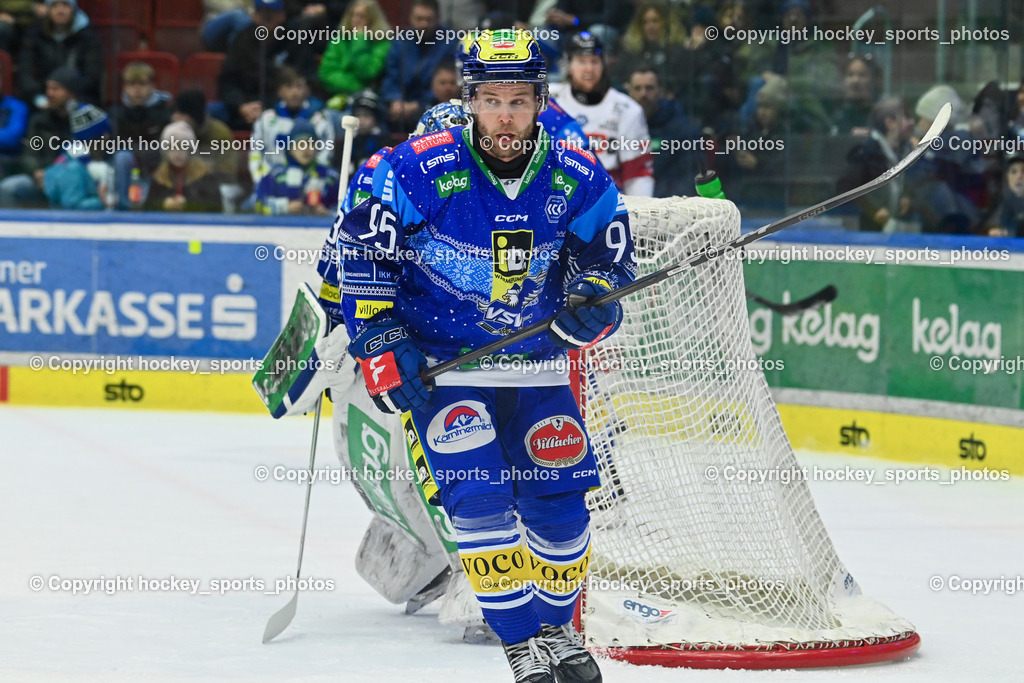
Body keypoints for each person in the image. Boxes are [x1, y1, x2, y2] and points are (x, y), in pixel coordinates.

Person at [334, 29, 634, 682]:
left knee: (563, 507)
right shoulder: (417, 168)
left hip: (537, 367)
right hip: (446, 372)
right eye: (491, 100)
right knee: (479, 501)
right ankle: (521, 643)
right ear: (469, 100)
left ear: (540, 102)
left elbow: (610, 258)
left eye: (518, 101)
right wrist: (381, 341)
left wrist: (596, 296)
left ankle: (555, 629)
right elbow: (360, 253)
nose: (505, 116)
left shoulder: (577, 173)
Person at [549, 31, 655, 196]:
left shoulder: (628, 110)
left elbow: (638, 174)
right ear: (568, 65)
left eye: (594, 61)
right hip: (554, 195)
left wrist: (637, 210)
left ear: (604, 65)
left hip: (606, 199)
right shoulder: (548, 100)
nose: (589, 69)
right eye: (581, 61)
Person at [0, 65, 77, 208]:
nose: (49, 94)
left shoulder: (85, 121)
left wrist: (57, 176)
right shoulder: (39, 121)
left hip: (72, 180)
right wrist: (36, 172)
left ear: (71, 93)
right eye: (48, 88)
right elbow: (29, 155)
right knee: (9, 188)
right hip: (40, 178)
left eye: (55, 89)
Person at [248, 66, 334, 187]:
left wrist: (314, 183)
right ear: (279, 91)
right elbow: (256, 153)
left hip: (311, 185)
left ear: (307, 90)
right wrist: (261, 182)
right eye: (289, 87)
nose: (294, 93)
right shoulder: (266, 120)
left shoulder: (320, 120)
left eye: (299, 86)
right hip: (272, 183)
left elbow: (326, 154)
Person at [379, 0, 456, 134]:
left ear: (438, 18)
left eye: (429, 19)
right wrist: (395, 100)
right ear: (411, 18)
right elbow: (391, 76)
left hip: (434, 103)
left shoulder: (449, 43)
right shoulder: (401, 42)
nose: (424, 24)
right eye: (419, 19)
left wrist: (418, 104)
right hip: (400, 103)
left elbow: (448, 82)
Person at [624, 65, 700, 198]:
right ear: (629, 91)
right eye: (637, 88)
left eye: (649, 88)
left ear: (660, 90)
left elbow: (690, 178)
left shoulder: (682, 129)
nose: (643, 94)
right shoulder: (618, 125)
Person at [17, 0, 102, 108]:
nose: (60, 11)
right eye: (55, 5)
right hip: (42, 99)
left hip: (79, 98)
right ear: (48, 10)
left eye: (65, 5)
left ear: (74, 9)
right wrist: (39, 98)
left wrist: (67, 97)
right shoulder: (34, 36)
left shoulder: (88, 38)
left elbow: (92, 76)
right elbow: (25, 73)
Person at [254, 118, 339, 215]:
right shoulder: (276, 175)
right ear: (290, 148)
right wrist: (285, 207)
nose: (305, 149)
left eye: (310, 143)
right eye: (300, 144)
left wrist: (328, 213)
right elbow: (259, 205)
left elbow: (346, 208)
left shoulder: (330, 177)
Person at [317, 0, 392, 103]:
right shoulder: (339, 39)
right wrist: (359, 87)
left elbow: (366, 73)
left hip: (368, 101)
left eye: (362, 16)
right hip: (336, 96)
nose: (356, 20)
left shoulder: (382, 44)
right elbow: (326, 74)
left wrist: (359, 39)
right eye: (353, 15)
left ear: (372, 20)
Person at [145, 121, 223, 212]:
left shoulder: (206, 177)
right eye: (172, 148)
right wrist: (163, 204)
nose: (177, 154)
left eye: (182, 147)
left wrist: (188, 204)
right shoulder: (159, 178)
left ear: (190, 151)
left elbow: (215, 207)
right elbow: (147, 208)